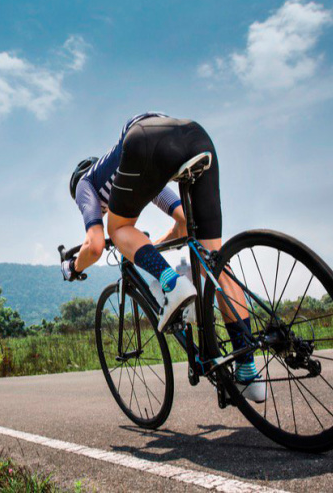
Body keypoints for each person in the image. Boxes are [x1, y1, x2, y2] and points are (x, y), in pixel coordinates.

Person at [62, 112, 266, 402]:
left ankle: (172, 283)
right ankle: (248, 371)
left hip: (142, 138)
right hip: (196, 137)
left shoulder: (86, 184)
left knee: (117, 229)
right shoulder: (129, 173)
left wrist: (71, 267)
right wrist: (148, 247)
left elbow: (94, 246)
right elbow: (183, 220)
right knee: (216, 264)